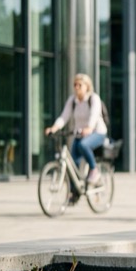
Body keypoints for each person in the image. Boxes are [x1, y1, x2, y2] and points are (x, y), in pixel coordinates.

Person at [44, 73, 108, 202]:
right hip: (80, 134)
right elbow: (64, 116)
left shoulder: (93, 98)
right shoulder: (72, 100)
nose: (77, 87)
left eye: (80, 85)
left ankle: (94, 170)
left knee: (83, 145)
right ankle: (75, 193)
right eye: (75, 85)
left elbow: (95, 115)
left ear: (87, 86)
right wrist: (54, 128)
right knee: (73, 163)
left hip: (97, 132)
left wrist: (89, 127)